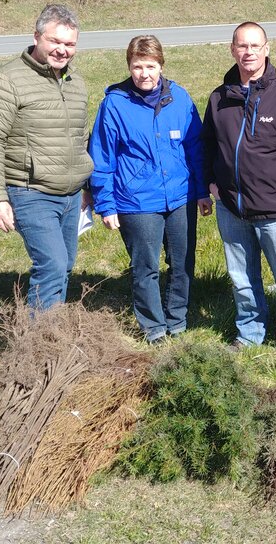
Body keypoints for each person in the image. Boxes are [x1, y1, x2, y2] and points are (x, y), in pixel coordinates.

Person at [202, 21, 276, 352]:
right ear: (232, 50)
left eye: (255, 45)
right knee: (241, 278)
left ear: (266, 49)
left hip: (275, 209)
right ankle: (250, 333)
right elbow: (208, 144)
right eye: (242, 45)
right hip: (231, 207)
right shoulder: (219, 98)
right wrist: (211, 182)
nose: (248, 52)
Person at [88, 35, 213, 344]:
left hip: (181, 196)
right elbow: (102, 156)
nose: (144, 74)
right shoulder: (114, 104)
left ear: (161, 66)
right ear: (129, 67)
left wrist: (201, 191)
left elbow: (195, 148)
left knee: (182, 263)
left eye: (151, 66)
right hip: (137, 201)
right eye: (137, 66)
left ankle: (177, 320)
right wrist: (106, 204)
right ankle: (154, 327)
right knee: (146, 266)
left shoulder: (179, 98)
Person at [0, 3, 94, 311]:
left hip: (71, 195)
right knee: (52, 264)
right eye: (55, 41)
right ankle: (37, 337)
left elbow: (80, 138)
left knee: (65, 265)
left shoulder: (76, 83)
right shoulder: (6, 81)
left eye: (70, 44)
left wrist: (87, 186)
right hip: (31, 192)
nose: (62, 50)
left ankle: (53, 326)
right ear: (37, 37)